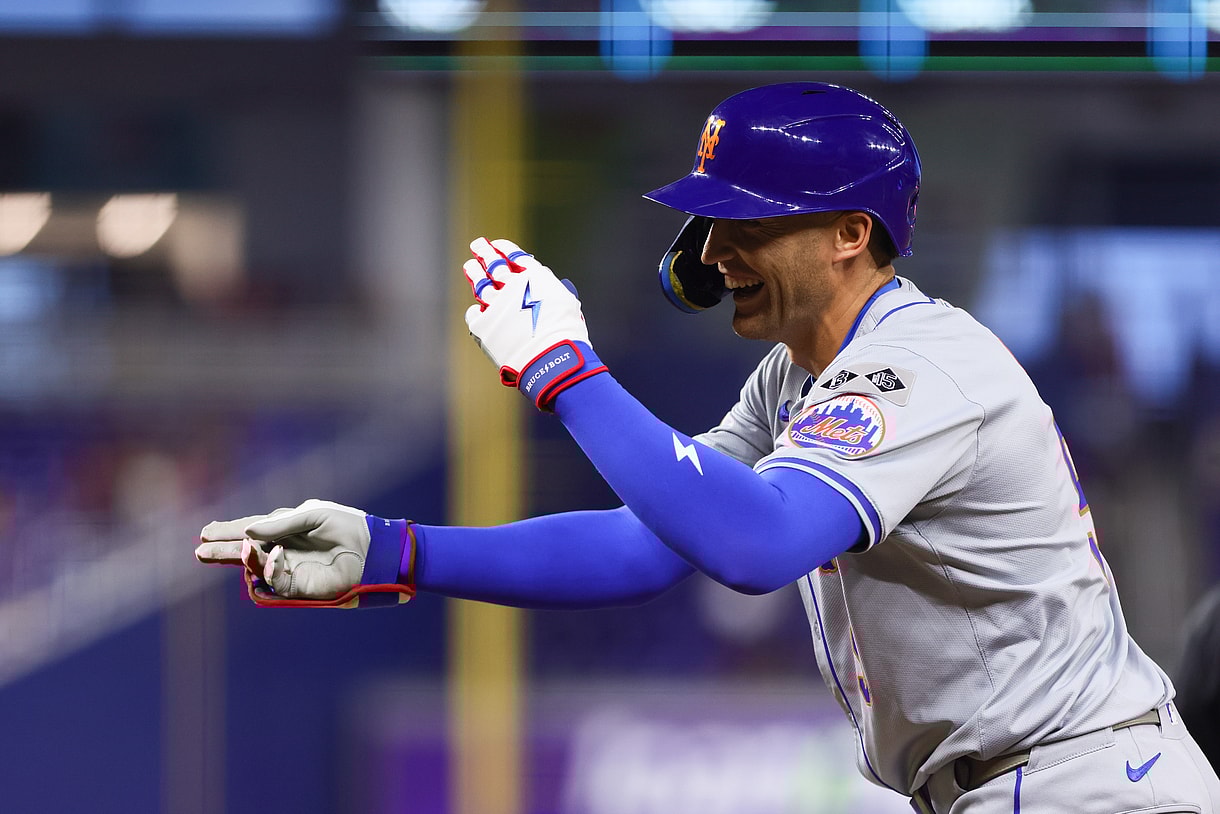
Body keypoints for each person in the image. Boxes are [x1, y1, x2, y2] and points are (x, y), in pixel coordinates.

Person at [195, 82, 1220, 813]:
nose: (715, 251)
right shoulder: (794, 375)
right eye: (708, 222)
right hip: (1012, 784)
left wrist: (565, 372)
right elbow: (650, 541)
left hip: (1086, 788)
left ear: (848, 233)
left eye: (746, 223)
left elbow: (756, 547)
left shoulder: (919, 366)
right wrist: (394, 550)